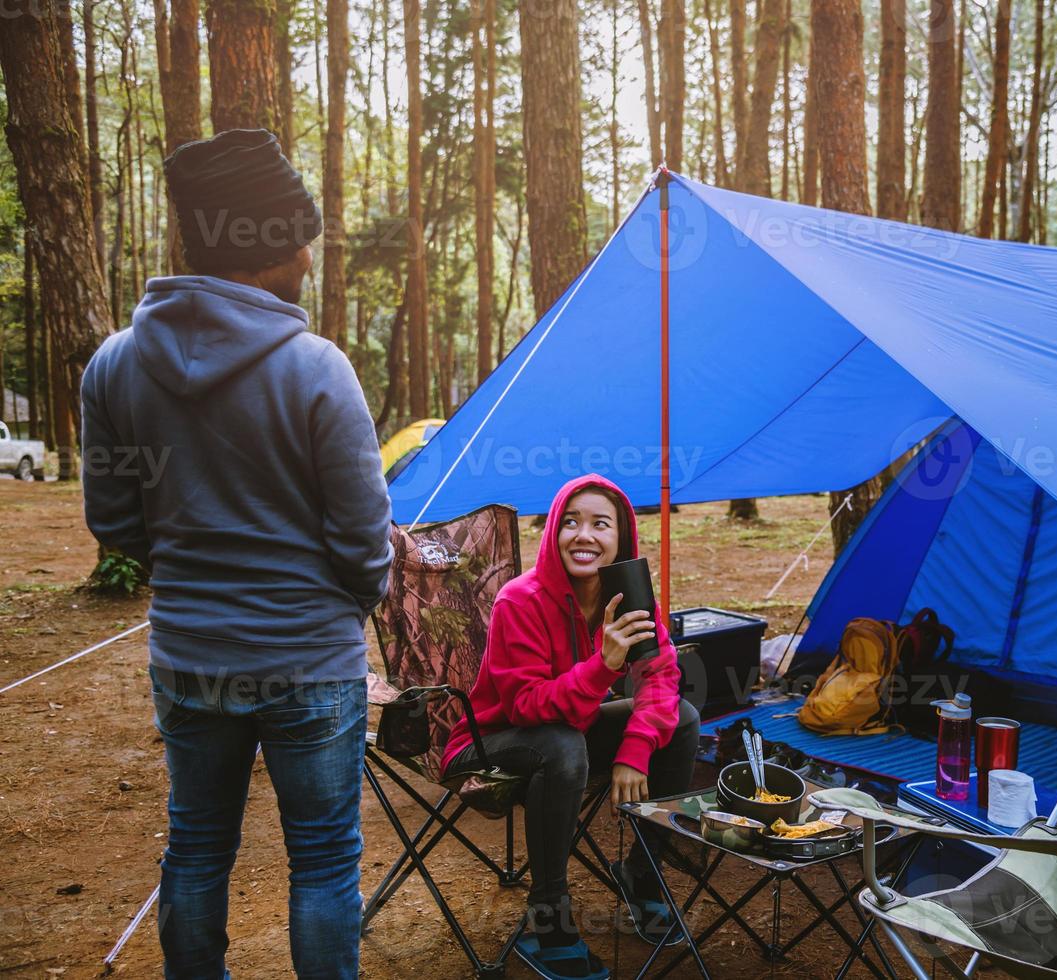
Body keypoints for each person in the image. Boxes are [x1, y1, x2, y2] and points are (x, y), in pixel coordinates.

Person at [80, 129, 391, 980]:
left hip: (190, 656)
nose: (307, 261)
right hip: (310, 664)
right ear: (263, 245)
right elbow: (364, 541)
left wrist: (190, 573)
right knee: (324, 861)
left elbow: (115, 524)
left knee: (196, 846)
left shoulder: (113, 367)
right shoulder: (317, 370)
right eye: (301, 241)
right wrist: (343, 601)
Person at [444, 474, 701, 980]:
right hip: (487, 742)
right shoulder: (520, 601)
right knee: (561, 744)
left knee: (684, 720)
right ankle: (549, 920)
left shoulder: (629, 596)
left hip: (566, 729)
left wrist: (634, 750)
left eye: (600, 524)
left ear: (620, 539)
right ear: (553, 533)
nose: (583, 535)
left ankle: (642, 877)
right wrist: (603, 667)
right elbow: (524, 706)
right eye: (570, 522)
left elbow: (661, 677)